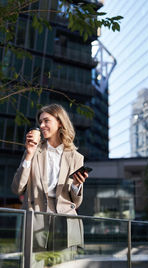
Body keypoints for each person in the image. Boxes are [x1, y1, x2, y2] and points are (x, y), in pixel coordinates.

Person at [11, 104, 88, 258]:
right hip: (35, 221)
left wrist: (76, 185)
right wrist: (28, 155)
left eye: (46, 121)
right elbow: (17, 189)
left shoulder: (76, 157)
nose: (41, 125)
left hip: (65, 223)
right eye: (40, 122)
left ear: (60, 122)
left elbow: (76, 202)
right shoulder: (33, 151)